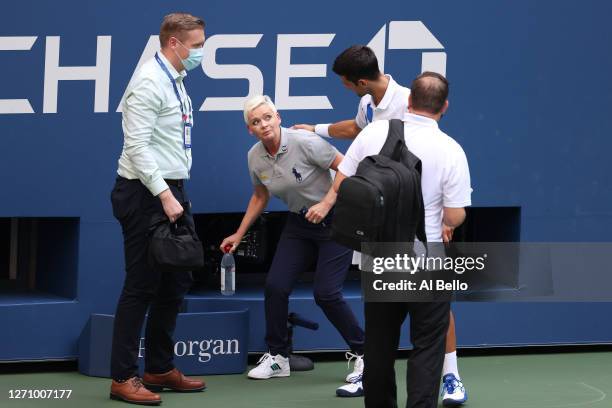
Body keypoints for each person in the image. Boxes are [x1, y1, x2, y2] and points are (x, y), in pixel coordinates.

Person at [293, 45, 467, 404]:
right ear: (444, 107)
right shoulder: (451, 149)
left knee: (379, 344)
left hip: (380, 258)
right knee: (427, 345)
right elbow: (454, 216)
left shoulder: (375, 133)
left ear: (410, 99)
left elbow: (345, 176)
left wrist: (332, 205)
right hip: (427, 260)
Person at [220, 95, 365, 383]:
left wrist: (326, 203)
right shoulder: (254, 156)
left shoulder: (304, 142)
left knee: (326, 293)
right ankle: (278, 357)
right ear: (250, 129)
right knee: (275, 285)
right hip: (300, 224)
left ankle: (366, 353)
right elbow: (260, 196)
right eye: (256, 122)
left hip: (337, 219)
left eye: (267, 117)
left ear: (278, 117)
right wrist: (239, 233)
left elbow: (347, 169)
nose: (263, 125)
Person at [109, 13, 206, 406]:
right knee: (142, 286)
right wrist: (164, 195)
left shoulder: (176, 81)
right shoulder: (148, 82)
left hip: (172, 191)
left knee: (175, 282)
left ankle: (159, 367)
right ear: (173, 44)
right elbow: (137, 146)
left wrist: (173, 194)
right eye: (197, 45)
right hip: (145, 193)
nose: (201, 52)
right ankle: (122, 377)